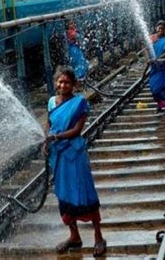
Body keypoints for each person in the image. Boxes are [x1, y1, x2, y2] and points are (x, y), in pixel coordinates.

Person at [43, 67, 106, 257]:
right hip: (59, 156)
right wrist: (46, 140)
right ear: (56, 82)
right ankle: (74, 236)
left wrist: (55, 138)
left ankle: (98, 237)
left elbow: (77, 130)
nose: (63, 85)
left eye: (67, 82)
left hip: (75, 154)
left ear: (74, 84)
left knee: (84, 192)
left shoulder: (80, 103)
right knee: (64, 196)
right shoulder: (52, 102)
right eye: (60, 81)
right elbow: (49, 124)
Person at [148, 21, 165, 115]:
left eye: (162, 29)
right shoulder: (151, 38)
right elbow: (145, 49)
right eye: (159, 28)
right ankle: (159, 106)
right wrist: (148, 59)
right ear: (156, 28)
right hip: (155, 67)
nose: (160, 30)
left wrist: (158, 59)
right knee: (155, 86)